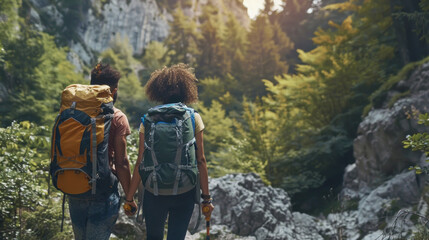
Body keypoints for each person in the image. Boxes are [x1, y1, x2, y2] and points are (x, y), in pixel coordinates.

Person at [125, 64, 214, 240]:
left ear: (158, 91)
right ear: (185, 90)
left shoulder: (148, 119)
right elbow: (201, 160)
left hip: (154, 189)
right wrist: (206, 199)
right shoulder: (193, 117)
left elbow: (140, 161)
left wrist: (129, 198)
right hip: (185, 189)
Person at [67, 63, 134, 239]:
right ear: (113, 90)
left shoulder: (73, 112)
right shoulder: (117, 117)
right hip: (103, 190)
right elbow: (122, 162)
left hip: (75, 186)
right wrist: (129, 197)